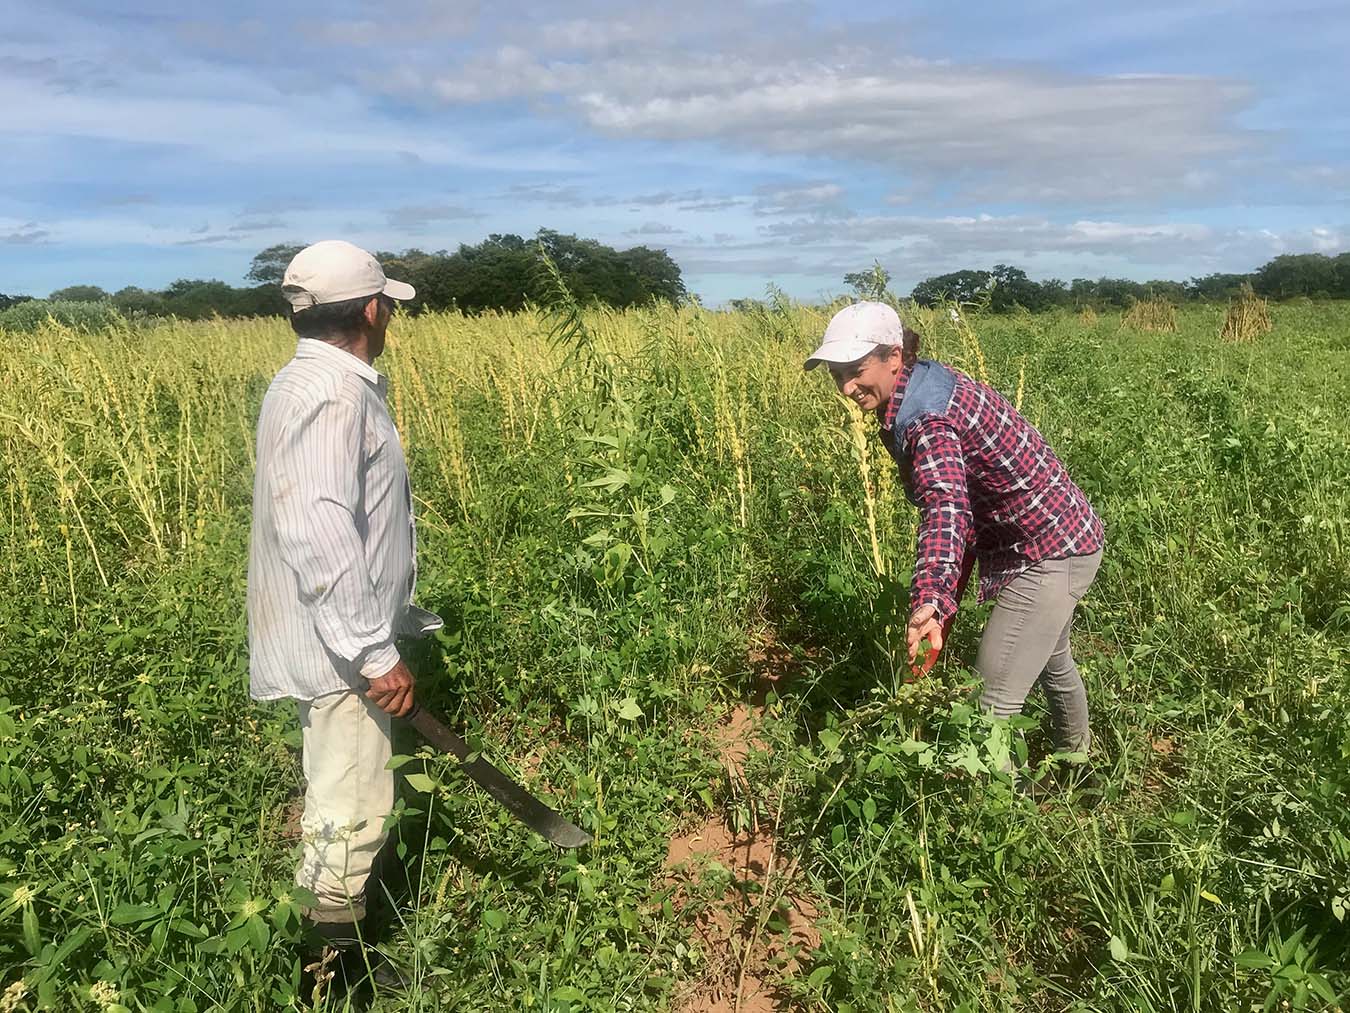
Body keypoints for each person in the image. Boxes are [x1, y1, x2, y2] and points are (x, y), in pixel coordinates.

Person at [247, 240, 441, 995]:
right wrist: (372, 651)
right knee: (350, 807)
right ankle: (329, 980)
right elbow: (320, 530)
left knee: (348, 792)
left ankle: (340, 952)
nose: (389, 313)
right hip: (340, 649)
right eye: (387, 302)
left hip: (337, 636)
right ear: (371, 309)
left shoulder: (308, 381)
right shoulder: (332, 394)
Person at [805, 301, 1104, 776]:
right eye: (836, 373)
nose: (846, 386)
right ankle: (1080, 766)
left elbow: (947, 509)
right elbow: (962, 512)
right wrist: (943, 606)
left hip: (1046, 551)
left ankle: (1008, 823)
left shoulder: (925, 419)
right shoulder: (924, 383)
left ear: (893, 356)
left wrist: (927, 604)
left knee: (991, 705)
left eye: (856, 370)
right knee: (1053, 661)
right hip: (1064, 532)